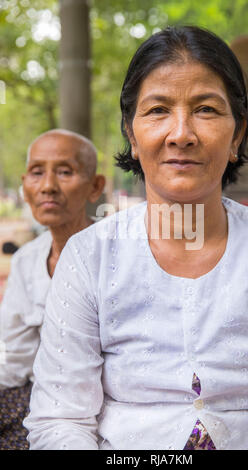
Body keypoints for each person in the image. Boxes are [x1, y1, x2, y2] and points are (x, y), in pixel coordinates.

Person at [24, 27, 248, 450]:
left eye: (206, 109)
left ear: (238, 135)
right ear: (132, 136)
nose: (181, 133)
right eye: (157, 111)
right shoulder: (89, 256)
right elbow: (61, 418)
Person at [0, 129, 105, 449]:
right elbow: (12, 358)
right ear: (24, 185)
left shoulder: (117, 254)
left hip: (96, 408)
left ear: (95, 187)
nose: (47, 186)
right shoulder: (27, 260)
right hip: (38, 396)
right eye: (36, 173)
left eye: (64, 172)